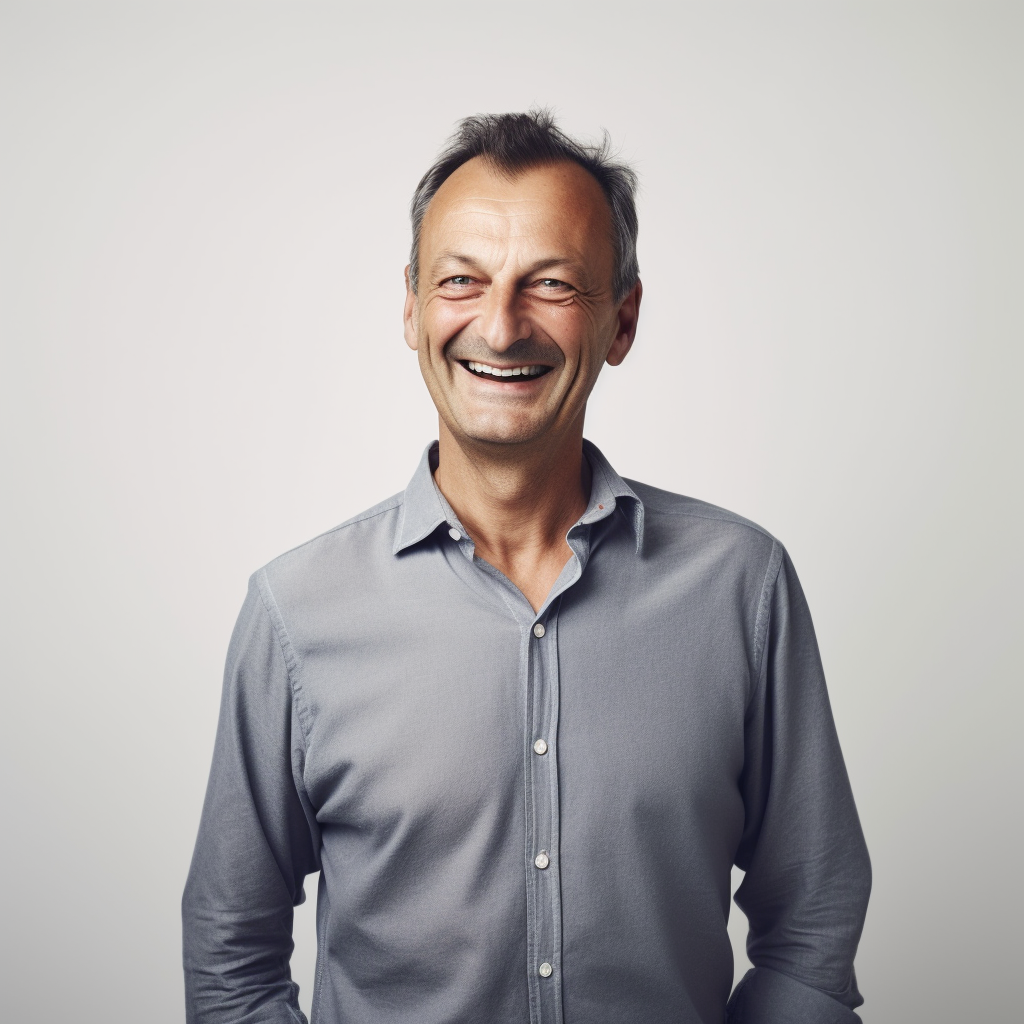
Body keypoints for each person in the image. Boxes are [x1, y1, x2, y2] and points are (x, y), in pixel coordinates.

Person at [182, 110, 870, 1024]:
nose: (500, 327)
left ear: (621, 319)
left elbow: (814, 921)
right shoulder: (295, 613)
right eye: (461, 279)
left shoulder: (742, 588)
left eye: (551, 284)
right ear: (412, 306)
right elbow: (232, 949)